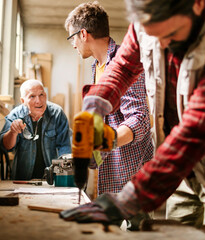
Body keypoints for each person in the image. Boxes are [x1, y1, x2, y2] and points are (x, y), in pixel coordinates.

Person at [60, 0, 205, 239]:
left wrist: (126, 201)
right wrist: (94, 107)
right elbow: (123, 68)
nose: (163, 45)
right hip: (178, 165)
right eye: (154, 36)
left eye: (171, 33)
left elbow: (197, 131)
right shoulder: (147, 19)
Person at [64, 1, 153, 195]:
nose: (73, 45)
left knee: (135, 227)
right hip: (110, 170)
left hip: (131, 170)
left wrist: (106, 142)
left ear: (83, 34)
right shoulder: (97, 66)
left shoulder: (125, 60)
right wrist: (94, 154)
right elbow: (108, 121)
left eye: (72, 38)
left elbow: (139, 119)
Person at [0, 79, 71, 180]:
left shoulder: (57, 113)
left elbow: (64, 148)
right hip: (23, 180)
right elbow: (6, 146)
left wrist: (62, 179)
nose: (39, 101)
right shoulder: (16, 115)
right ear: (23, 101)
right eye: (32, 96)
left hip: (52, 179)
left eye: (41, 95)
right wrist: (12, 132)